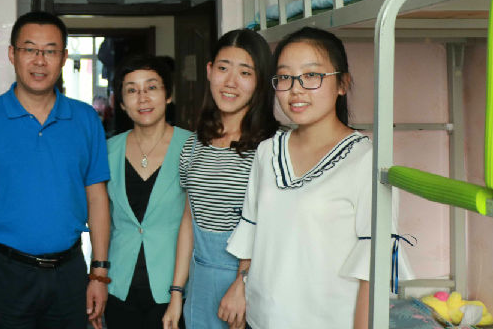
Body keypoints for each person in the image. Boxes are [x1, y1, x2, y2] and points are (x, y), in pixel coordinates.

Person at [0, 11, 111, 329]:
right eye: (29, 49)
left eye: (50, 51)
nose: (40, 60)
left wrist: (99, 273)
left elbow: (97, 199)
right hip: (2, 272)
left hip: (69, 272)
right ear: (12, 54)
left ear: (64, 57)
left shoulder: (85, 119)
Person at [226, 27, 374, 329]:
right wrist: (240, 285)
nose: (296, 89)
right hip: (261, 318)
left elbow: (373, 267)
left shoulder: (366, 159)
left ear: (342, 83)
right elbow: (252, 229)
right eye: (285, 77)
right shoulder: (268, 151)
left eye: (311, 75)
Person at [162, 30, 278, 329]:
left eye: (245, 72)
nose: (230, 82)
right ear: (209, 70)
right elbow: (189, 220)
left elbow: (274, 229)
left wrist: (242, 284)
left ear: (260, 80)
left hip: (252, 286)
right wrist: (177, 293)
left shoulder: (272, 146)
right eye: (223, 68)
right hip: (200, 284)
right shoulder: (193, 145)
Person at [104, 55, 189, 329]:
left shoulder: (193, 147)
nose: (142, 98)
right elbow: (102, 219)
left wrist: (178, 291)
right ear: (121, 102)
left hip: (174, 289)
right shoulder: (107, 151)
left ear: (168, 95)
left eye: (151, 87)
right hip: (119, 286)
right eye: (132, 90)